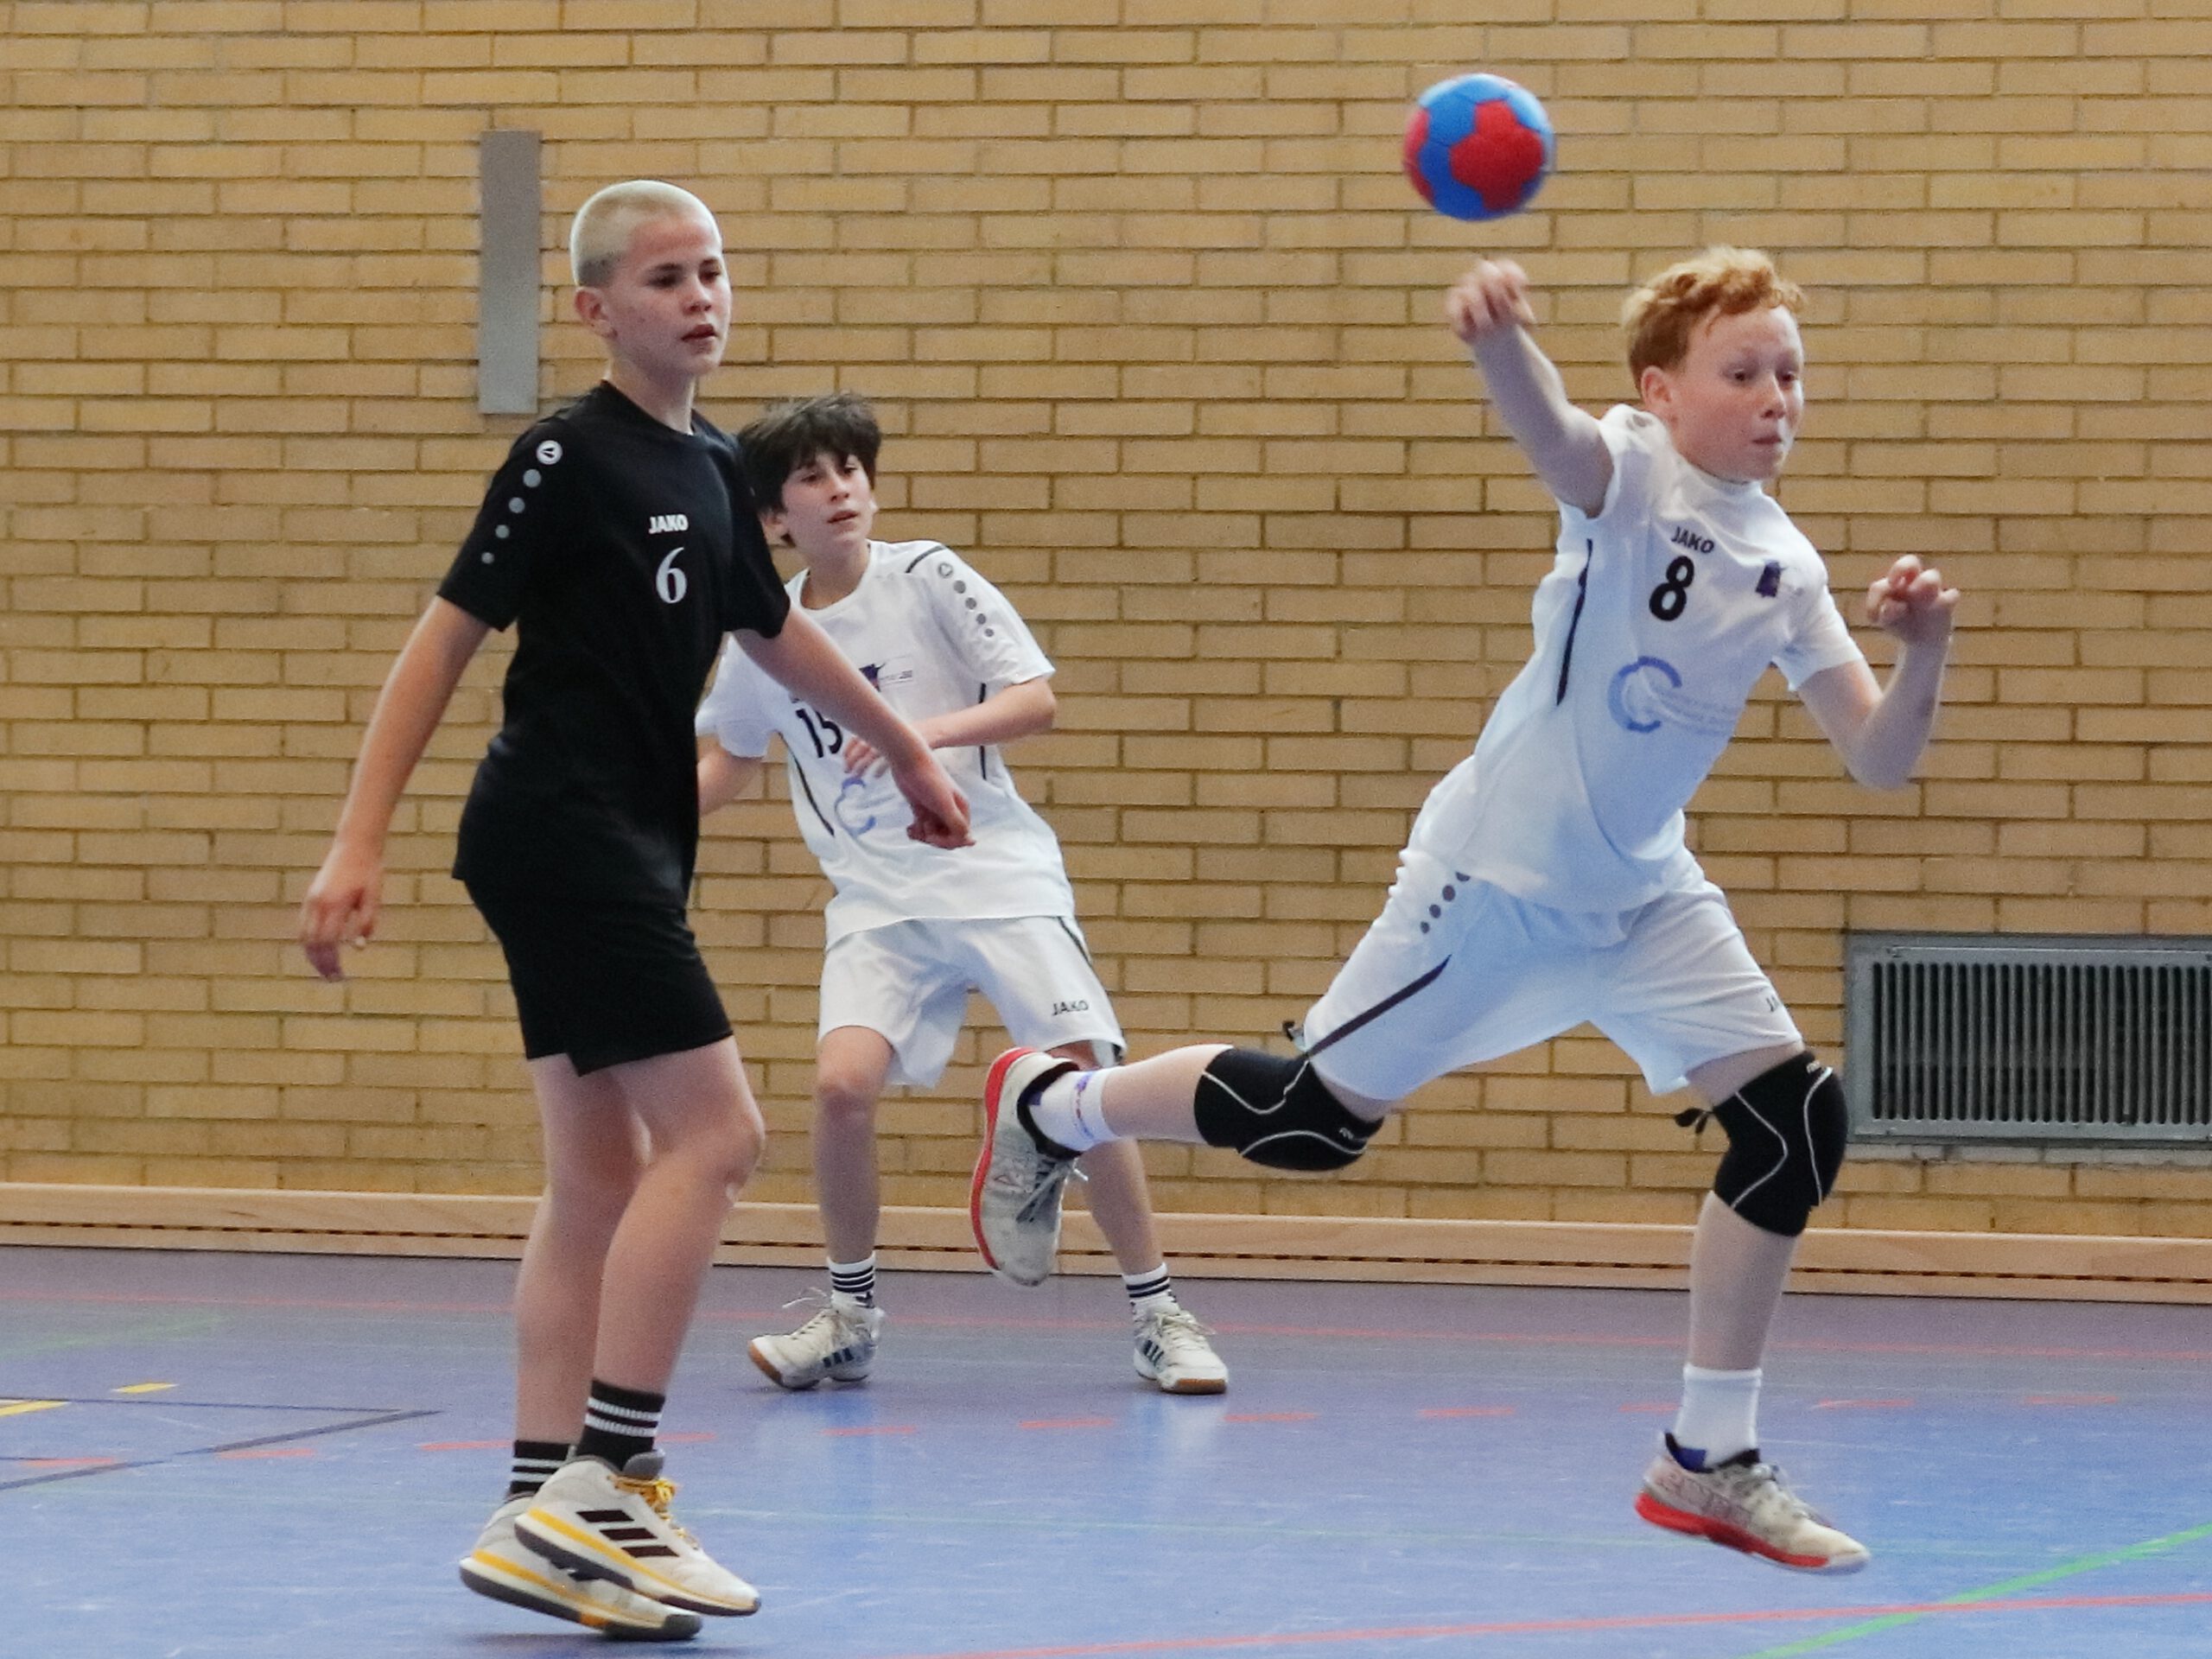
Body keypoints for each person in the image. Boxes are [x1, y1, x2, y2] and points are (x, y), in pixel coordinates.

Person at [971, 248, 1959, 1574]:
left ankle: (1707, 1460)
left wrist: (1924, 656)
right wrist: (1498, 341)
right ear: (1662, 391)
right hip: (1501, 882)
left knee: (1796, 1124)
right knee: (1311, 1124)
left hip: (1645, 894)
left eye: (1791, 373)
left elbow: (1879, 759)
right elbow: (1551, 437)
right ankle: (1057, 1105)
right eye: (1743, 372)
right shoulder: (1630, 477)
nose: (1776, 396)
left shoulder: (1788, 564)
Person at [298, 182, 969, 1640]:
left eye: (713, 271)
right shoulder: (565, 454)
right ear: (597, 309)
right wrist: (358, 839)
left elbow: (774, 633)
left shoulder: (718, 465)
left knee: (599, 1176)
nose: (700, 296)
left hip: (633, 844)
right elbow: (441, 644)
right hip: (560, 831)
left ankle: (535, 1508)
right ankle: (606, 1477)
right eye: (666, 278)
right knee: (720, 1136)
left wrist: (909, 748)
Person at [695, 391, 1229, 1396]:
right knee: (840, 1089)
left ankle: (1158, 1313)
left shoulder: (928, 575)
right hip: (877, 900)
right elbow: (732, 759)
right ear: (773, 517)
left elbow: (1035, 700)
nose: (840, 489)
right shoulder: (763, 632)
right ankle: (849, 1317)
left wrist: (914, 738)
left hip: (997, 876)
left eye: (850, 469)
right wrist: (636, 819)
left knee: (1087, 1079)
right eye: (811, 478)